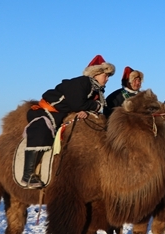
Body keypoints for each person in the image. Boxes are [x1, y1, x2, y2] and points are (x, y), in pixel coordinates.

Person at [22, 55, 115, 188]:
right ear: (96, 73)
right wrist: (88, 107)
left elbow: (82, 105)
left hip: (61, 115)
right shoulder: (82, 82)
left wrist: (86, 110)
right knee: (41, 131)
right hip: (46, 112)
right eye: (105, 75)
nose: (107, 79)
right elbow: (78, 103)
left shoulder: (96, 90)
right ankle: (28, 175)